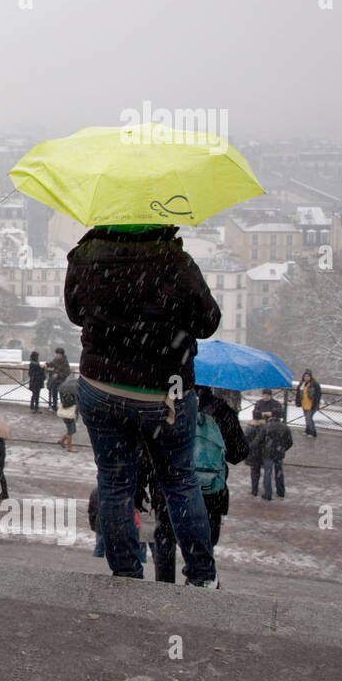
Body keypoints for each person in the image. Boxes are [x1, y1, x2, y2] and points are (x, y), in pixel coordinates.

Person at [65, 223, 221, 586]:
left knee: (115, 482)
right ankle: (201, 576)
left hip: (100, 384)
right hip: (163, 390)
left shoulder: (85, 255)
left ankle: (125, 573)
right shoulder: (175, 260)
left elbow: (76, 313)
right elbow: (208, 322)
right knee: (179, 480)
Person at [148, 385, 248, 583]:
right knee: (203, 547)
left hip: (168, 488)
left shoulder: (166, 404)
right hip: (209, 494)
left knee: (165, 541)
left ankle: (164, 587)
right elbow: (239, 453)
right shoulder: (221, 411)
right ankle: (198, 586)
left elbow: (148, 447)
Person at [260, 413, 292, 500]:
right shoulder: (285, 427)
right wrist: (282, 449)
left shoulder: (266, 427)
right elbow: (290, 443)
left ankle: (268, 494)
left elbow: (259, 440)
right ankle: (281, 492)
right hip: (279, 454)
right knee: (279, 473)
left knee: (267, 473)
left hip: (268, 454)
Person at [295, 370, 321, 437]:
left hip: (312, 404)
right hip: (304, 403)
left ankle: (313, 432)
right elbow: (298, 393)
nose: (306, 378)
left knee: (309, 418)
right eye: (305, 376)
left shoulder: (314, 384)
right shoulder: (302, 384)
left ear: (310, 377)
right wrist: (297, 401)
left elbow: (318, 394)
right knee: (307, 418)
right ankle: (307, 430)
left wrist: (315, 403)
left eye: (308, 376)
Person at [56, 374, 79, 451]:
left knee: (72, 430)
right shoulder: (70, 395)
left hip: (67, 414)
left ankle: (61, 441)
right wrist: (76, 401)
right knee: (71, 430)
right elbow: (68, 404)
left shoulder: (64, 392)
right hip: (68, 414)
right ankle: (69, 447)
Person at [245, 420, 266, 497]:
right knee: (265, 472)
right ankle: (266, 489)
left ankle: (254, 489)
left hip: (253, 453)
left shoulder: (249, 428)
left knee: (254, 471)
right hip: (262, 453)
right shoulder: (264, 428)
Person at [46, 347, 71, 413]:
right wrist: (47, 365)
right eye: (56, 354)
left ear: (61, 355)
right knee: (54, 394)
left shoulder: (65, 362)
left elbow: (67, 372)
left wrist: (58, 375)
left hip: (61, 382)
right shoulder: (55, 360)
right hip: (54, 381)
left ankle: (63, 408)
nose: (56, 355)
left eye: (58, 354)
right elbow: (51, 364)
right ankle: (54, 407)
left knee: (62, 395)